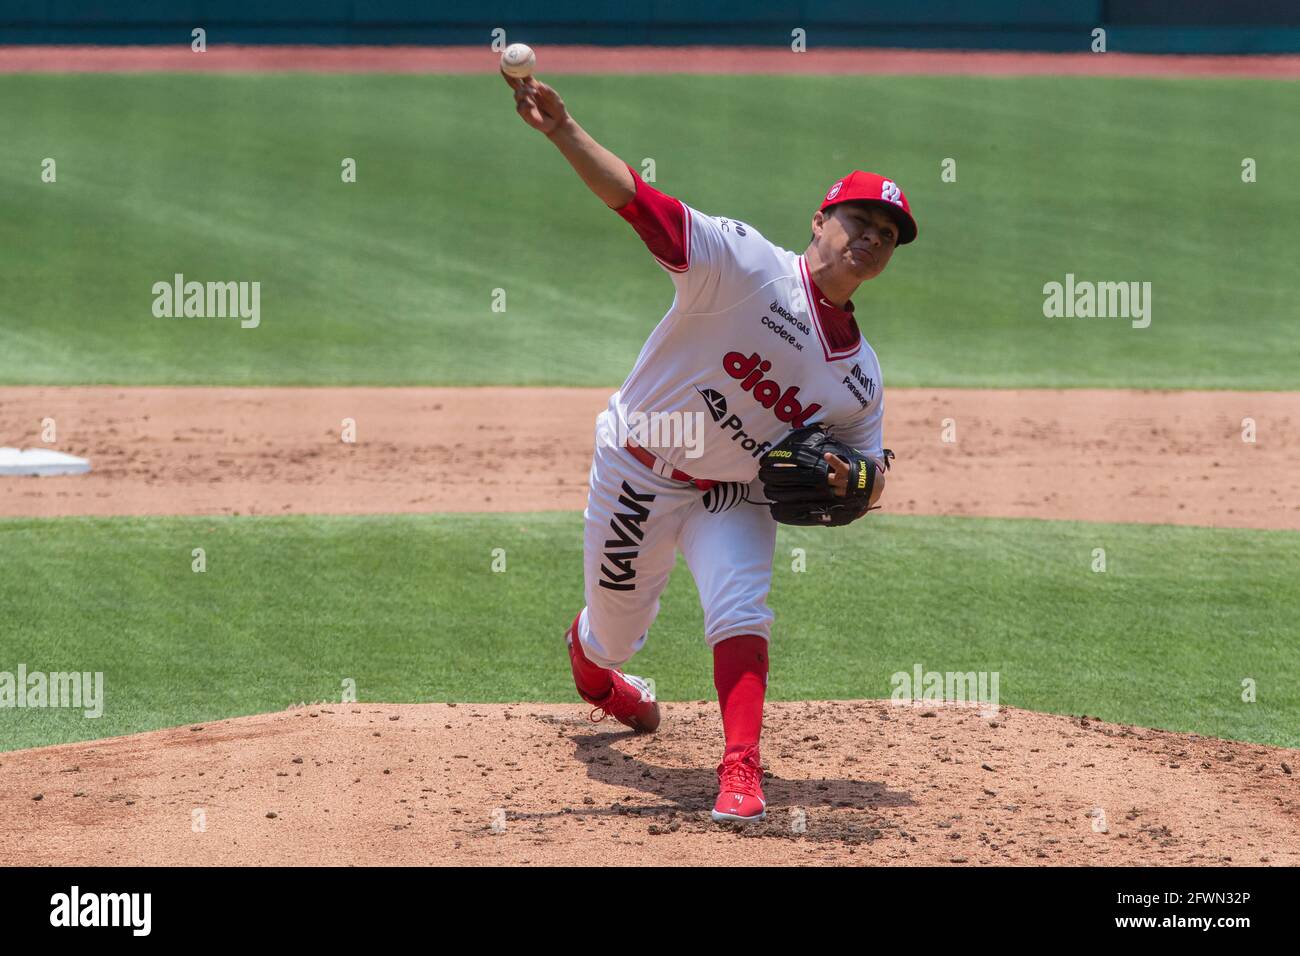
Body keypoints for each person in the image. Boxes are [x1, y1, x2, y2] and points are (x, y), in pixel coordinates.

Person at [504, 71, 916, 823]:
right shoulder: (743, 264)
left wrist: (852, 479)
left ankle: (740, 772)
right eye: (860, 219)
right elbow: (640, 204)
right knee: (615, 634)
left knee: (741, 607)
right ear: (820, 219)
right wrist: (562, 130)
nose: (872, 239)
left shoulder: (859, 376)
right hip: (638, 465)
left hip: (732, 493)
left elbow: (873, 470)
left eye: (887, 236)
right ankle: (594, 672)